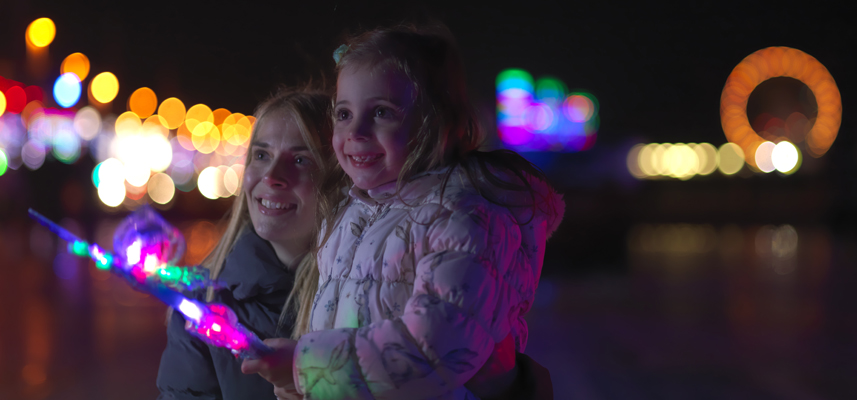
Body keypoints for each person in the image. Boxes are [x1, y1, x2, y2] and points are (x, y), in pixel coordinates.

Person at [243, 24, 564, 400]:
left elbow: (431, 349)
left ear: (433, 123)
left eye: (381, 112)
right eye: (343, 114)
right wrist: (317, 386)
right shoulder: (352, 213)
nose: (356, 132)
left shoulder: (465, 219)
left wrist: (306, 367)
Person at [156, 87, 341, 399]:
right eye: (261, 155)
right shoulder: (203, 303)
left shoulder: (366, 291)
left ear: (336, 178)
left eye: (300, 159)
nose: (271, 176)